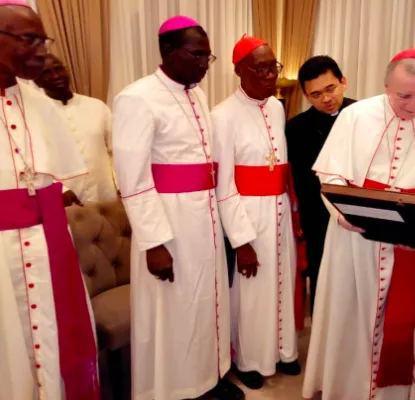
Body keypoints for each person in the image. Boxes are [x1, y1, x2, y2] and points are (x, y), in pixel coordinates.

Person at [303, 49, 415, 400]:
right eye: (404, 95)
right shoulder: (355, 116)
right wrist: (345, 213)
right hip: (355, 238)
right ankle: (348, 389)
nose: (413, 105)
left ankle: (397, 391)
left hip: (410, 239)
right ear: (386, 85)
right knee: (349, 314)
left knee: (406, 319)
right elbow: (329, 175)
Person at [112, 16, 243, 400]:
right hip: (168, 222)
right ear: (167, 51)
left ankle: (206, 379)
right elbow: (132, 179)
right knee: (174, 311)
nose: (205, 63)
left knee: (204, 303)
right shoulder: (136, 98)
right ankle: (175, 390)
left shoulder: (196, 93)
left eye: (208, 55)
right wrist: (154, 243)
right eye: (196, 54)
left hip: (203, 217)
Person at [0, 1, 99, 399]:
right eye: (30, 39)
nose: (43, 50)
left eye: (44, 39)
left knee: (53, 350)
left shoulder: (41, 104)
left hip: (46, 249)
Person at [212, 35, 300, 390]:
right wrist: (242, 241)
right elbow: (224, 185)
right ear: (238, 70)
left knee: (282, 283)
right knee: (250, 293)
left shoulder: (277, 107)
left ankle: (283, 351)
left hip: (278, 211)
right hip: (247, 214)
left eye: (273, 67)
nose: (270, 75)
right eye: (261, 68)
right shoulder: (222, 115)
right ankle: (247, 358)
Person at [286, 55, 356, 315]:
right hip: (318, 220)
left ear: (343, 82)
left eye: (331, 89)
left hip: (358, 216)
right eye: (315, 95)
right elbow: (301, 182)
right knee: (323, 283)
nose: (326, 99)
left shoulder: (363, 115)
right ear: (306, 96)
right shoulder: (295, 128)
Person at [35, 54, 118, 205]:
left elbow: (115, 151)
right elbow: (35, 163)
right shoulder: (35, 115)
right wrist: (62, 191)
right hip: (66, 203)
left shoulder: (97, 107)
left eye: (59, 69)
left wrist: (119, 184)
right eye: (46, 73)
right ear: (37, 81)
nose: (56, 76)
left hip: (106, 197)